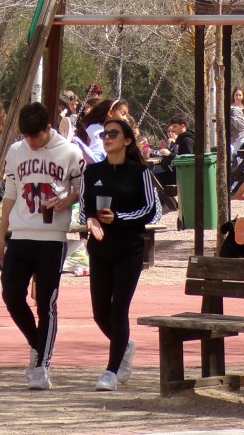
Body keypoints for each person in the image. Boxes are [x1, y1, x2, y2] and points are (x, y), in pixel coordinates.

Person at [0, 102, 84, 390]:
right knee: (10, 294)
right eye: (26, 137)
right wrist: (1, 233)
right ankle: (36, 344)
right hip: (20, 234)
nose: (30, 142)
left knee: (46, 303)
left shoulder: (70, 152)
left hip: (52, 237)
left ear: (48, 129)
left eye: (35, 137)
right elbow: (10, 192)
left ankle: (43, 366)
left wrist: (65, 201)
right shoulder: (16, 151)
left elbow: (80, 190)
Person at [79, 118, 160, 391]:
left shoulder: (140, 173)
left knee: (119, 310)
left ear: (127, 140)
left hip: (130, 250)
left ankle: (111, 372)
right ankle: (125, 346)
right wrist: (91, 220)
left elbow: (150, 210)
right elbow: (84, 208)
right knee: (99, 313)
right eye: (104, 133)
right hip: (100, 250)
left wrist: (120, 218)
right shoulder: (92, 173)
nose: (107, 137)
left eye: (114, 133)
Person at [76, 99, 113, 163]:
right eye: (123, 113)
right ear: (110, 113)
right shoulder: (94, 128)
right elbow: (97, 156)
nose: (84, 111)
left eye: (87, 107)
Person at [229, 87, 244, 155]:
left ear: (243, 96)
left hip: (241, 136)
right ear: (233, 96)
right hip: (230, 135)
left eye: (240, 95)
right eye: (236, 95)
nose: (238, 97)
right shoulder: (228, 108)